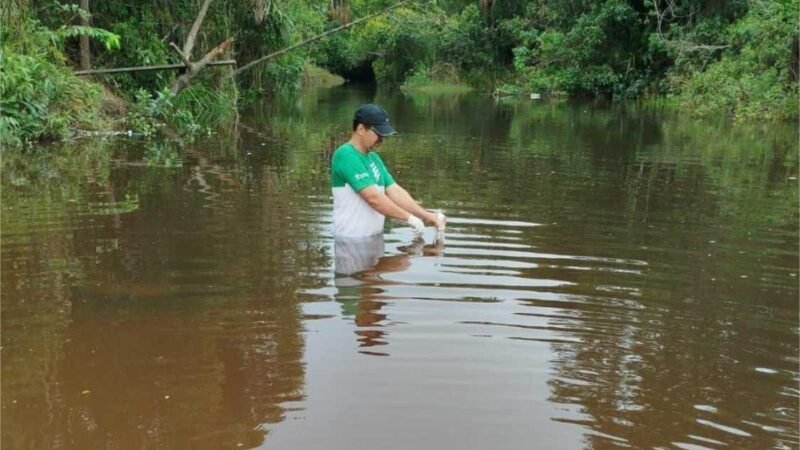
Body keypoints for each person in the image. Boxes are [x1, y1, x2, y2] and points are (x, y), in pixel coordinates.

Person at [330, 103, 446, 238]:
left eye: (383, 136)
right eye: (378, 134)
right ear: (361, 129)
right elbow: (374, 198)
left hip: (374, 239)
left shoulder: (374, 158)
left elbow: (394, 191)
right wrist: (409, 218)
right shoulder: (346, 155)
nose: (381, 140)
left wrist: (426, 216)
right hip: (351, 242)